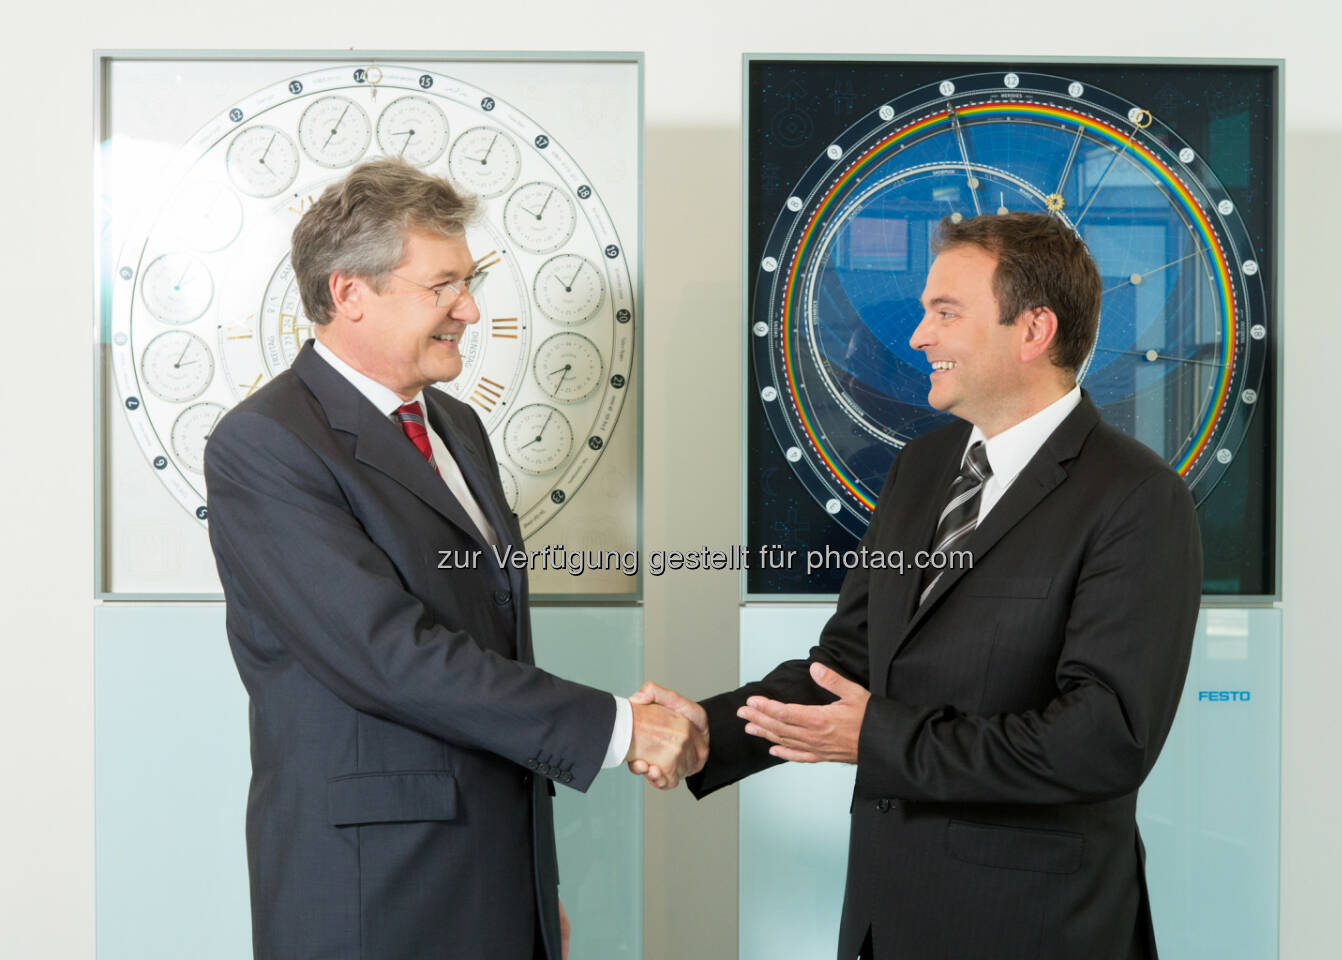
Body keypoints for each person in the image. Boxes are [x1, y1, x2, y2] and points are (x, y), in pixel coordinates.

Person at [634, 212, 1203, 960]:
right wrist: (712, 735)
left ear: (1033, 330)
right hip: (885, 923)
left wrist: (880, 736)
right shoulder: (923, 470)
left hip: (1035, 931)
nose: (917, 337)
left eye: (945, 313)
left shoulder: (1135, 498)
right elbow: (845, 665)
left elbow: (1103, 740)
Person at [204, 158, 704, 960]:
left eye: (467, 284)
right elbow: (389, 655)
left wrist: (537, 891)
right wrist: (618, 728)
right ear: (349, 292)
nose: (468, 310)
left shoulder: (457, 427)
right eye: (442, 286)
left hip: (493, 881)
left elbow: (487, 644)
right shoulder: (266, 444)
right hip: (374, 893)